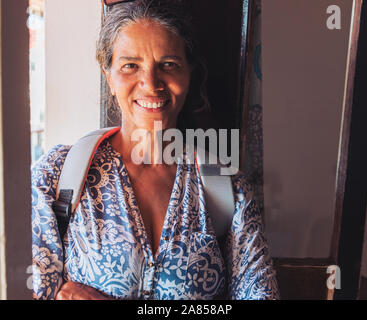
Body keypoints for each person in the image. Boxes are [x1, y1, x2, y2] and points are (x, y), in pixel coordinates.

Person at [31, 0, 279, 300]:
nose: (150, 83)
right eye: (130, 66)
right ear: (109, 76)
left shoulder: (228, 188)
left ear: (189, 75)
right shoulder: (57, 176)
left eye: (168, 65)